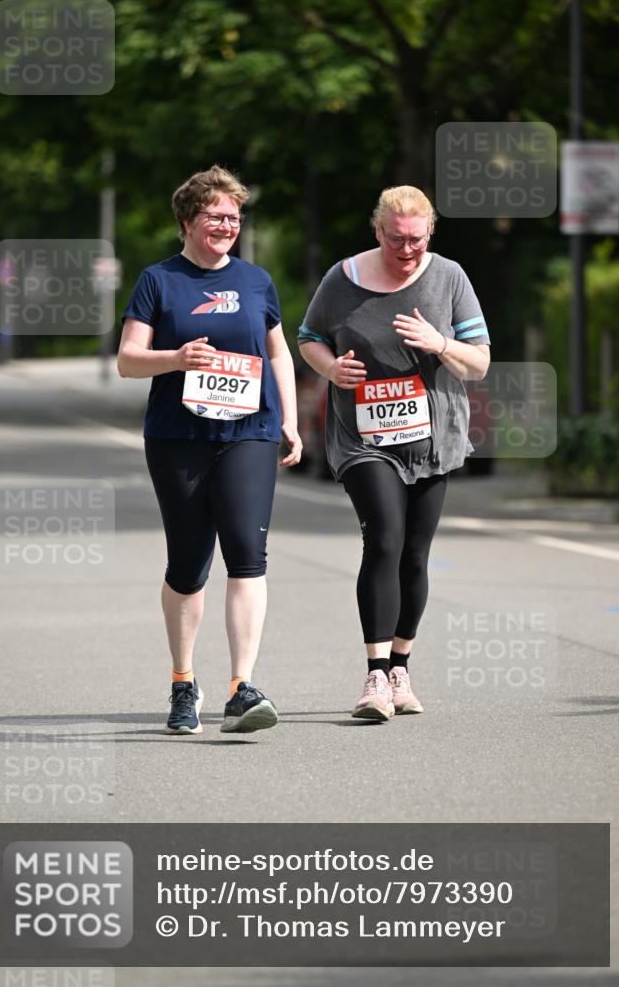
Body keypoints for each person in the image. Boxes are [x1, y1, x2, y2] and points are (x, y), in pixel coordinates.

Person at [118, 165, 302, 735]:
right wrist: (177, 358)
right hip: (178, 437)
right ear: (187, 221)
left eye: (234, 216)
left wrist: (291, 421)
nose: (227, 224)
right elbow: (128, 360)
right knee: (189, 562)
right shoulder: (158, 281)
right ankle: (182, 681)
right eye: (215, 216)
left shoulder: (255, 281)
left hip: (250, 431)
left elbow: (277, 355)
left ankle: (241, 689)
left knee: (248, 553)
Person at [298, 185, 490, 721]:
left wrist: (440, 343)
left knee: (414, 553)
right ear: (377, 230)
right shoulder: (343, 279)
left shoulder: (449, 277)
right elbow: (309, 336)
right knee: (384, 537)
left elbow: (479, 363)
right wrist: (331, 368)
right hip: (363, 437)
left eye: (416, 239)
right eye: (395, 238)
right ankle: (375, 676)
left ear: (429, 234)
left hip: (433, 437)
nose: (406, 250)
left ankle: (401, 665)